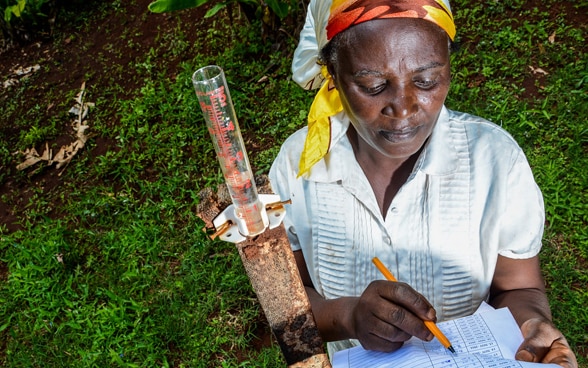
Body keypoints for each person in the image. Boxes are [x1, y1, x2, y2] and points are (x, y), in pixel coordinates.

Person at [268, 0, 578, 366]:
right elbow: (287, 303)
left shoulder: (494, 160)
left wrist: (533, 325)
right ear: (332, 75)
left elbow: (519, 287)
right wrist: (347, 316)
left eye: (426, 80)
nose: (403, 107)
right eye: (373, 85)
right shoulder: (297, 167)